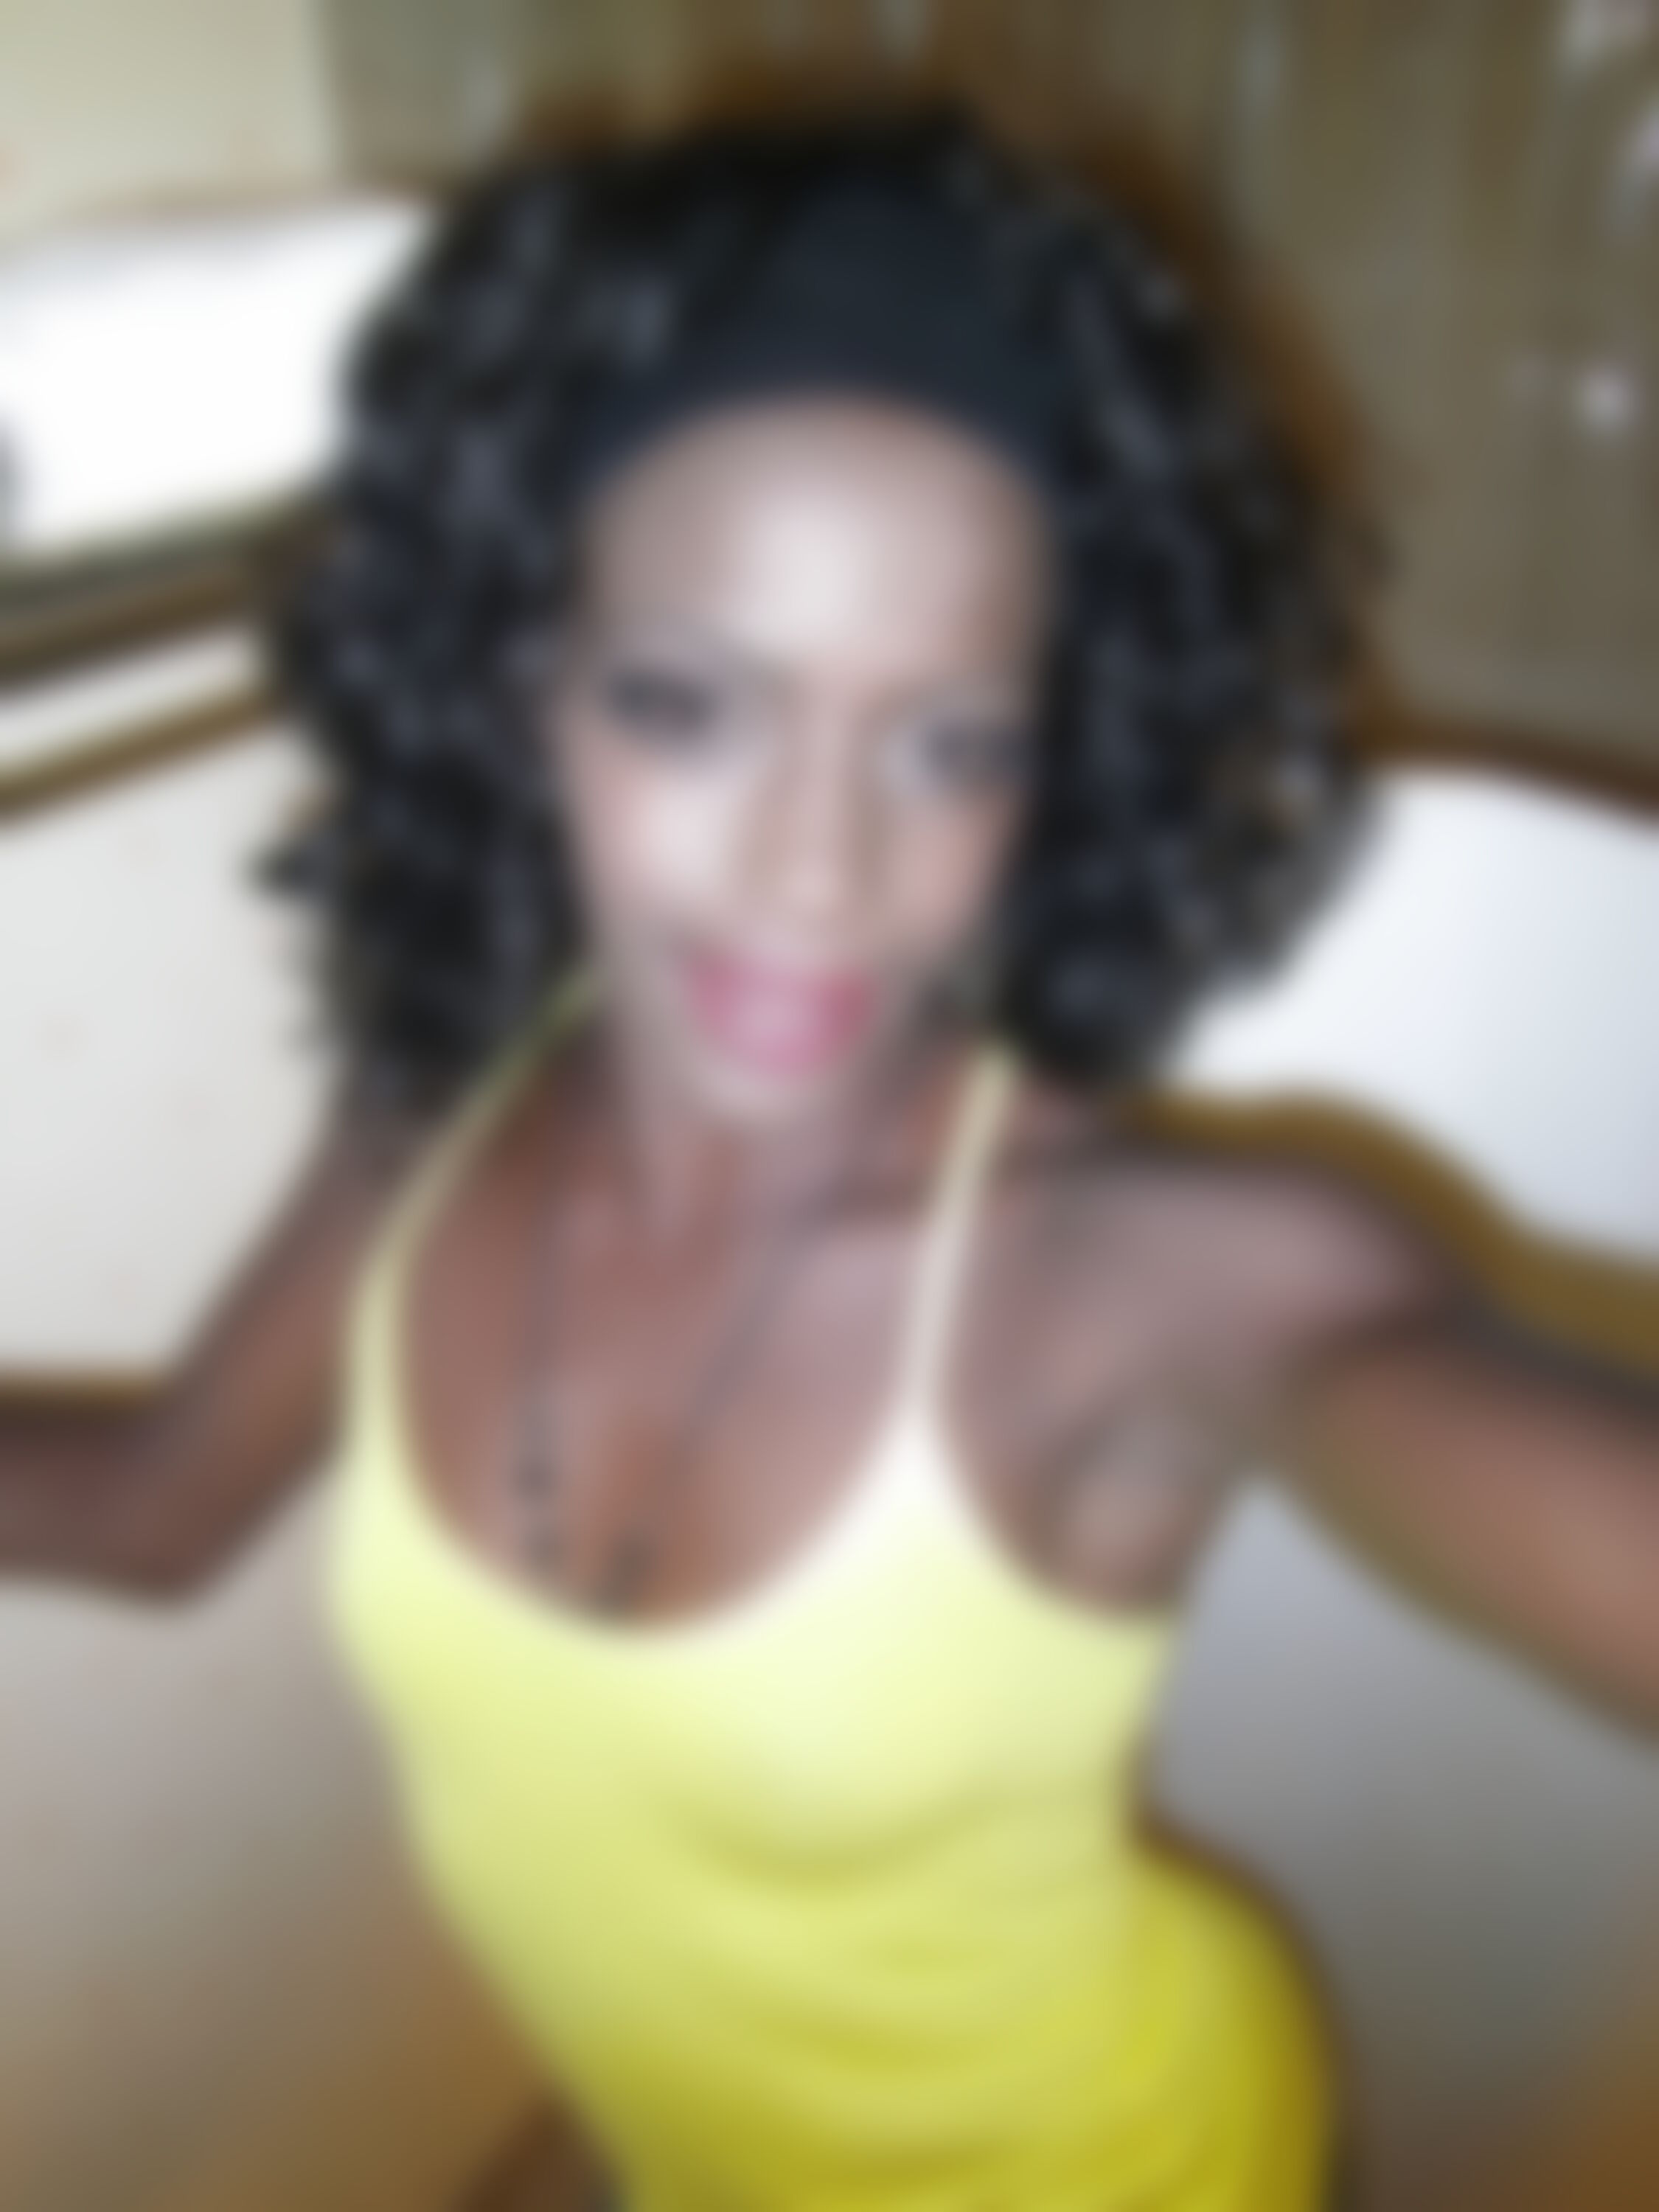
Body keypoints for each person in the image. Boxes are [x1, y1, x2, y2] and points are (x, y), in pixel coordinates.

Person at [3, 100, 1658, 2212]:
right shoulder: (430, 1117)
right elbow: (155, 1513)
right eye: (688, 705)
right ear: (525, 679)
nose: (818, 872)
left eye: (949, 744)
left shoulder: (1142, 1290)